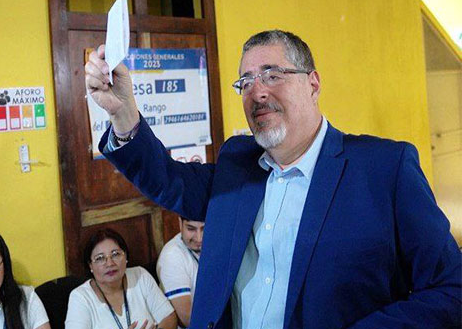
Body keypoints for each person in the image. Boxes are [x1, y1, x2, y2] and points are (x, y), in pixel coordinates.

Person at [84, 30, 462, 329]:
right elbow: (167, 179)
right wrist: (123, 113)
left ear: (313, 84)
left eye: (273, 75)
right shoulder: (237, 164)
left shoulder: (383, 168)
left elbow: (450, 290)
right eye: (245, 82)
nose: (257, 91)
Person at [65, 228, 177, 329]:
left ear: (126, 257)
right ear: (90, 265)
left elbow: (169, 318)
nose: (109, 263)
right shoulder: (80, 298)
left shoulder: (140, 275)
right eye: (100, 258)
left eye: (115, 254)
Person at [156, 217, 204, 328]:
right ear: (180, 223)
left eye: (204, 228)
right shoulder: (172, 255)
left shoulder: (217, 241)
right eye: (191, 229)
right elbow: (187, 319)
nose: (199, 238)